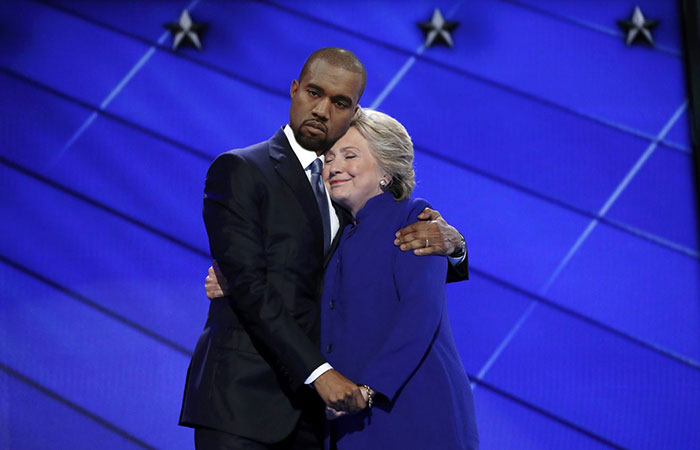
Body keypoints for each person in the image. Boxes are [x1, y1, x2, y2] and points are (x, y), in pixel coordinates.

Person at [180, 47, 469, 449]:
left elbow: (396, 276)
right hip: (245, 403)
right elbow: (249, 281)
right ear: (294, 89)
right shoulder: (242, 169)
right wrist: (320, 373)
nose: (321, 109)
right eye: (314, 93)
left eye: (339, 102)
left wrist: (456, 246)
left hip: (327, 417)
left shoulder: (355, 203)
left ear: (353, 111)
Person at [320, 108, 479, 449]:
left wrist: (369, 388)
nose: (334, 166)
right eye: (329, 157)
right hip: (350, 420)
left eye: (350, 155)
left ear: (387, 171)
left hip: (412, 412)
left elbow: (420, 313)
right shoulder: (336, 234)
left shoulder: (414, 218)